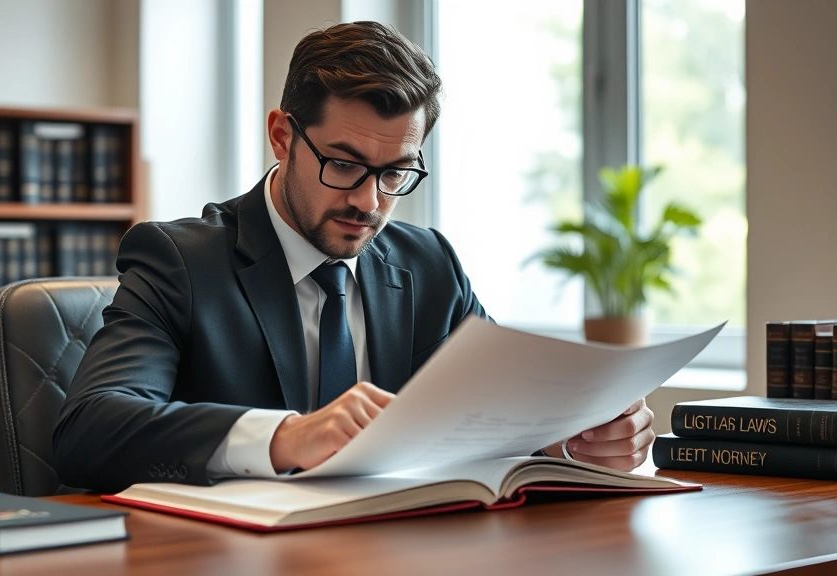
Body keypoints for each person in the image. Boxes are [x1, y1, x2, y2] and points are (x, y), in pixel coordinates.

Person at [52, 21, 655, 494]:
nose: (368, 201)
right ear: (282, 136)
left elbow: (494, 409)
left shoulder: (429, 265)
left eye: (394, 173)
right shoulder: (180, 260)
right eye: (342, 164)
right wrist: (285, 437)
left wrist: (570, 437)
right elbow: (91, 430)